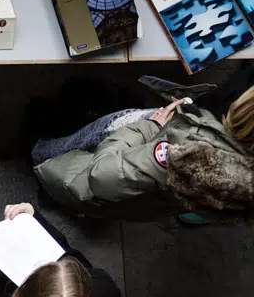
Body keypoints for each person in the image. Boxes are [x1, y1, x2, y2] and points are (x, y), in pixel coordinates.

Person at [32, 91, 254, 221]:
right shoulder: (242, 180)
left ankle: (36, 149)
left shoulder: (192, 157)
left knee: (107, 128)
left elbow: (102, 176)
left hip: (84, 182)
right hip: (141, 201)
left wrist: (150, 125)